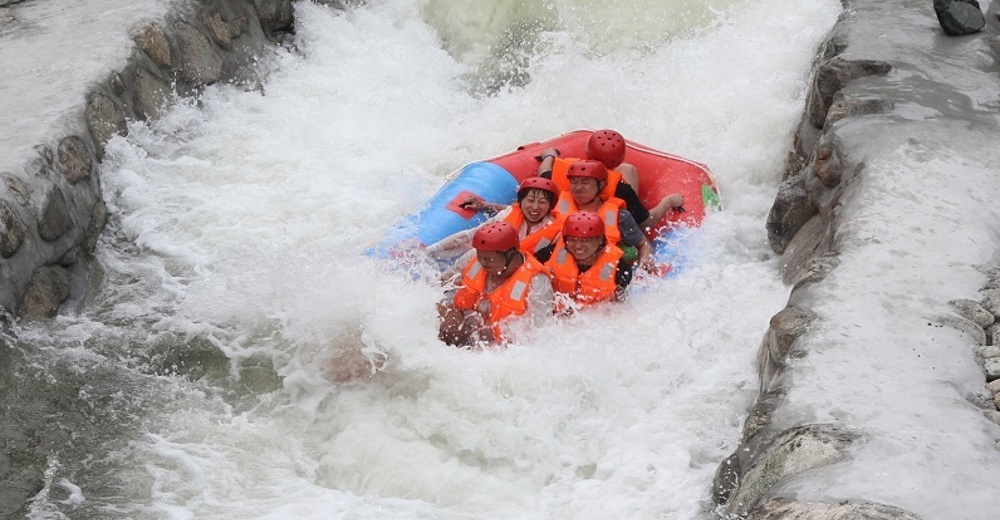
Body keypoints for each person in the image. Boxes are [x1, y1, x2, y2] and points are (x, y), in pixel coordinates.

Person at [537, 129, 684, 230]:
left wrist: (550, 157)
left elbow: (544, 174)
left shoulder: (567, 172)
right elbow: (645, 222)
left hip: (570, 226)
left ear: (587, 152)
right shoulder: (621, 188)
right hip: (600, 229)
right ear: (619, 159)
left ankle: (550, 154)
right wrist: (668, 202)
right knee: (628, 170)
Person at [437, 221, 553, 347]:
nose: (482, 262)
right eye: (480, 257)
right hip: (468, 328)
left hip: (501, 347)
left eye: (489, 259)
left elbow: (539, 333)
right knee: (448, 323)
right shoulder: (474, 258)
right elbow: (441, 284)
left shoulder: (537, 281)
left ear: (510, 254)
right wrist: (450, 311)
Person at [425, 176, 564, 263]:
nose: (535, 207)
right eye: (530, 200)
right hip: (494, 265)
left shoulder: (558, 232)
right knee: (475, 254)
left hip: (524, 274)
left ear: (550, 206)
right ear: (521, 202)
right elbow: (471, 236)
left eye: (542, 202)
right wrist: (431, 250)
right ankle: (443, 282)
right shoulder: (508, 214)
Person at [553, 159, 657, 271]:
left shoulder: (620, 216)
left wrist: (645, 260)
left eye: (585, 182)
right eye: (574, 181)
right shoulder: (555, 205)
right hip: (562, 270)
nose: (578, 187)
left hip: (603, 272)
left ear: (601, 185)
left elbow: (643, 244)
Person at [546, 211, 633, 312]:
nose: (578, 246)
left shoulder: (620, 268)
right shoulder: (550, 253)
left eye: (585, 240)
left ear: (600, 239)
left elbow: (620, 308)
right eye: (572, 239)